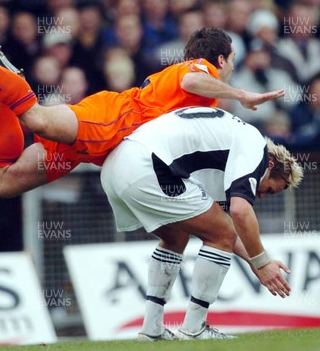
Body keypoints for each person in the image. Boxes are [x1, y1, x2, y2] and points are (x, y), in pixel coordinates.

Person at [0, 26, 284, 197]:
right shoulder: (200, 70)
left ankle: (3, 89)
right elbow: (192, 82)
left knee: (2, 182)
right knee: (36, 117)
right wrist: (241, 95)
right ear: (220, 59)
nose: (232, 66)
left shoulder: (200, 89)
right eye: (232, 61)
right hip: (113, 120)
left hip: (99, 148)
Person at [100, 106, 303, 340]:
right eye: (269, 190)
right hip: (147, 165)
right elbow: (239, 213)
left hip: (117, 165)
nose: (261, 196)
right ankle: (194, 328)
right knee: (221, 234)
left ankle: (151, 329)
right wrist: (262, 261)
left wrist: (257, 263)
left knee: (176, 237)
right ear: (269, 165)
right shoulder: (256, 148)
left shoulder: (228, 151)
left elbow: (222, 226)